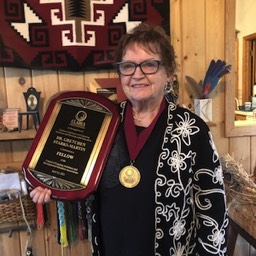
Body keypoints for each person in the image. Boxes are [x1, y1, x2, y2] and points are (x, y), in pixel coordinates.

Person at [30, 23, 228, 256]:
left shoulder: (193, 130)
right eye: (128, 66)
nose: (137, 74)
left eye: (149, 64)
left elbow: (212, 207)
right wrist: (54, 185)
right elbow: (78, 176)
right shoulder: (101, 122)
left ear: (169, 73)